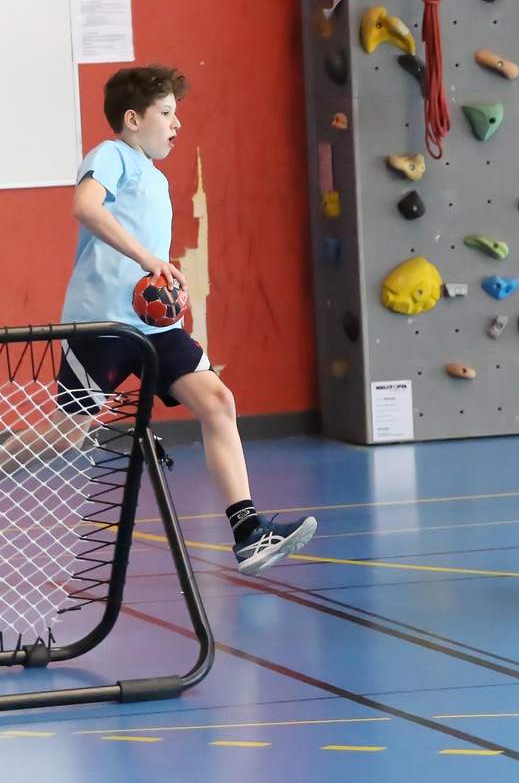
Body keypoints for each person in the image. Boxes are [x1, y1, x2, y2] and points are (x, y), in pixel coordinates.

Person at [0, 65, 317, 577]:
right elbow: (85, 206)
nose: (176, 124)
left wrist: (167, 285)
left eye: (176, 114)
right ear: (132, 119)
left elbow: (150, 259)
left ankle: (249, 533)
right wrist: (150, 259)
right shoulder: (112, 156)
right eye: (166, 113)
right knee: (69, 433)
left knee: (218, 401)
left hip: (153, 328)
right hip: (101, 326)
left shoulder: (157, 177)